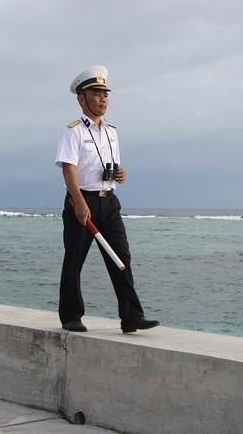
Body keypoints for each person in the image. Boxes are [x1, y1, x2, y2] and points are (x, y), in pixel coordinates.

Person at [55, 66, 160, 333]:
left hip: (109, 201)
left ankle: (131, 316)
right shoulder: (74, 131)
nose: (103, 98)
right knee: (74, 260)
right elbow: (68, 169)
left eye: (105, 94)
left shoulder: (112, 131)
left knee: (121, 257)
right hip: (82, 201)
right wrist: (79, 203)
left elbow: (109, 166)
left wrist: (120, 174)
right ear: (81, 99)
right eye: (96, 93)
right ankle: (71, 316)